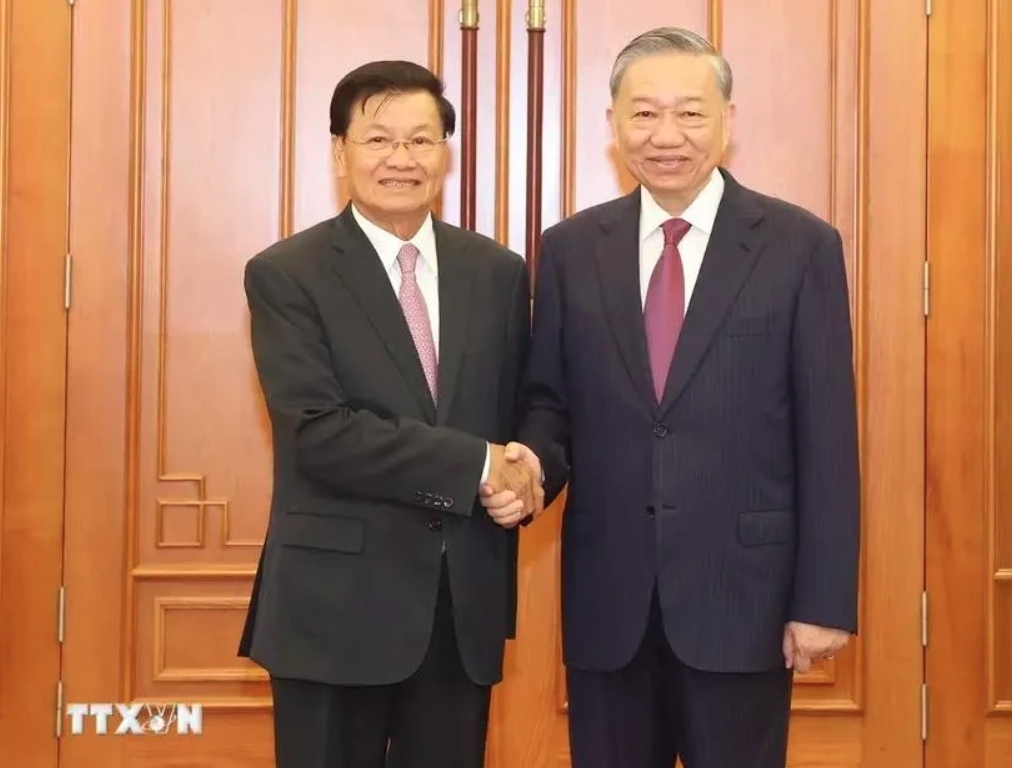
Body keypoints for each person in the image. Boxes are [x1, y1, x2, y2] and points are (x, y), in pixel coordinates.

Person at [482, 26, 861, 768]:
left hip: (743, 599)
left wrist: (822, 601)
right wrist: (530, 469)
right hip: (608, 600)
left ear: (727, 120)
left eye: (690, 113)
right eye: (644, 113)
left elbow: (828, 435)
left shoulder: (799, 246)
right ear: (613, 123)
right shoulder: (570, 249)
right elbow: (550, 402)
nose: (666, 136)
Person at [237, 60, 542, 768]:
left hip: (459, 607)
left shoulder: (496, 272)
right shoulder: (288, 273)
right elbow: (318, 433)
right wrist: (476, 465)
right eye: (378, 140)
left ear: (447, 153)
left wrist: (528, 469)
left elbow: (529, 403)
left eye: (421, 140)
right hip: (333, 608)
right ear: (340, 151)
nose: (401, 159)